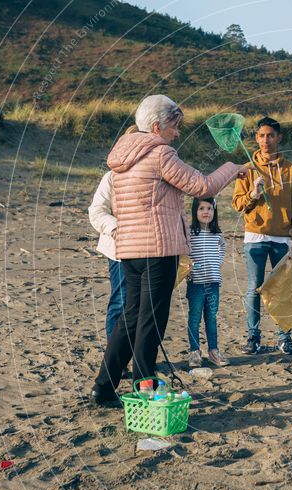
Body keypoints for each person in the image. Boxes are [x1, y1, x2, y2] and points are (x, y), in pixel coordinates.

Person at [90, 94, 249, 406]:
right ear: (156, 126)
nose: (177, 133)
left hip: (130, 251)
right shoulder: (160, 154)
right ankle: (143, 388)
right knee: (151, 321)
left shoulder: (121, 160)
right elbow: (203, 187)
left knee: (130, 318)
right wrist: (234, 168)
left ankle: (104, 387)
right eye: (174, 126)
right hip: (157, 250)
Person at [232, 116, 292, 355]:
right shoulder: (246, 170)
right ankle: (253, 337)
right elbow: (237, 205)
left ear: (279, 137)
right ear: (256, 138)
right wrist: (253, 193)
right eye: (261, 135)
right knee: (255, 287)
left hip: (283, 239)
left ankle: (285, 337)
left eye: (271, 135)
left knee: (282, 289)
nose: (266, 140)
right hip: (255, 237)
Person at [185, 197, 228, 368]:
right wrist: (189, 268)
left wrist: (217, 262)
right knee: (194, 318)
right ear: (195, 211)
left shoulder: (216, 233)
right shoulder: (190, 232)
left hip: (213, 283)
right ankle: (195, 352)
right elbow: (184, 251)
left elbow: (222, 248)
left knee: (211, 317)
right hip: (196, 283)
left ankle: (213, 351)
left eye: (210, 209)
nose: (206, 212)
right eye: (202, 208)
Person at [88, 171, 125, 341]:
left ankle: (141, 357)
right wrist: (116, 229)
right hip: (119, 251)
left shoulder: (156, 170)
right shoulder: (113, 176)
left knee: (146, 307)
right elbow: (97, 211)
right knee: (121, 302)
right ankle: (116, 359)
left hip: (152, 251)